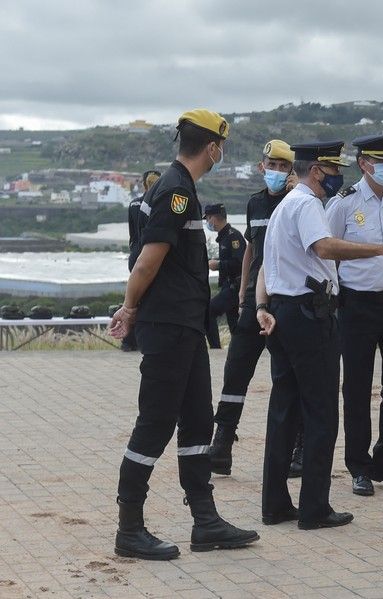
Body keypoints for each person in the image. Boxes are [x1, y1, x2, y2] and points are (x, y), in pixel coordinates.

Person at [108, 109, 258, 560]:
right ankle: (129, 527)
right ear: (212, 147)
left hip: (187, 326)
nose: (222, 153)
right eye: (222, 146)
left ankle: (206, 521)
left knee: (196, 422)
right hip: (168, 326)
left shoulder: (180, 189)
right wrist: (131, 308)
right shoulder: (174, 191)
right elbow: (147, 260)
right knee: (155, 424)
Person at [254, 140, 383, 529]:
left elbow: (268, 263)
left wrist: (261, 306)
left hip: (285, 312)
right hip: (310, 316)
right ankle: (314, 508)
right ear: (316, 171)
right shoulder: (307, 204)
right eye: (331, 170)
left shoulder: (285, 205)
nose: (334, 177)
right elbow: (325, 248)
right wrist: (380, 249)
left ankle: (275, 505)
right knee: (322, 413)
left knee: (284, 413)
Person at [324, 134, 383, 497]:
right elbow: (327, 252)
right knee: (357, 389)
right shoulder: (343, 204)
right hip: (357, 304)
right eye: (382, 161)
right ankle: (359, 467)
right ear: (364, 163)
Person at [209, 139, 304, 477]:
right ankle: (221, 442)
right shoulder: (255, 204)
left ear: (293, 171)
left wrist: (296, 192)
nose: (276, 172)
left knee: (291, 374)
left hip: (288, 298)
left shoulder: (301, 203)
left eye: (284, 166)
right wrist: (242, 292)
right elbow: (251, 249)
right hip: (254, 298)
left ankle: (300, 447)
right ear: (261, 166)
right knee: (236, 369)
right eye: (272, 165)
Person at [122, 169, 160, 352]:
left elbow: (132, 235)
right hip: (151, 256)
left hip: (136, 254)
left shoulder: (134, 204)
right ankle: (145, 339)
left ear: (143, 184)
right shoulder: (159, 203)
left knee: (135, 298)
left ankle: (129, 340)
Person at [203, 203, 245, 349]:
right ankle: (239, 349)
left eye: (208, 218)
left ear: (214, 218)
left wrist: (218, 265)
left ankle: (215, 347)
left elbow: (240, 263)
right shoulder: (224, 237)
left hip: (235, 286)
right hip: (228, 286)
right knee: (234, 322)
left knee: (209, 311)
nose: (207, 222)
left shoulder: (233, 237)